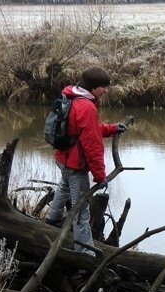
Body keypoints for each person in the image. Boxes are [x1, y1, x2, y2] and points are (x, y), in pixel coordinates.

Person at [45, 66, 127, 256]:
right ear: (93, 87)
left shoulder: (72, 96)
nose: (106, 90)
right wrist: (100, 176)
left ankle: (51, 221)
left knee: (64, 186)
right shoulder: (86, 106)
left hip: (62, 157)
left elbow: (85, 129)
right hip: (75, 163)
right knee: (81, 208)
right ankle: (84, 252)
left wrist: (112, 128)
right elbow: (92, 145)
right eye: (103, 87)